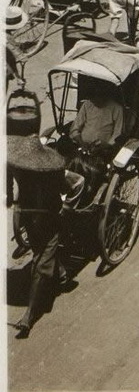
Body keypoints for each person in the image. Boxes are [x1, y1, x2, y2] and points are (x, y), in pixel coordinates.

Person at [7, 134, 69, 337]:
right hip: (35, 218)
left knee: (40, 265)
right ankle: (60, 273)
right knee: (40, 253)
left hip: (45, 220)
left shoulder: (20, 168)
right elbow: (66, 188)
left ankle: (29, 315)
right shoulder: (46, 171)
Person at [68, 81, 125, 149]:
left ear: (105, 96)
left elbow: (117, 132)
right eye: (93, 101)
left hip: (104, 148)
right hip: (82, 144)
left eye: (98, 100)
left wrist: (108, 145)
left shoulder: (117, 108)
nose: (95, 103)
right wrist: (81, 143)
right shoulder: (87, 104)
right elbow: (75, 127)